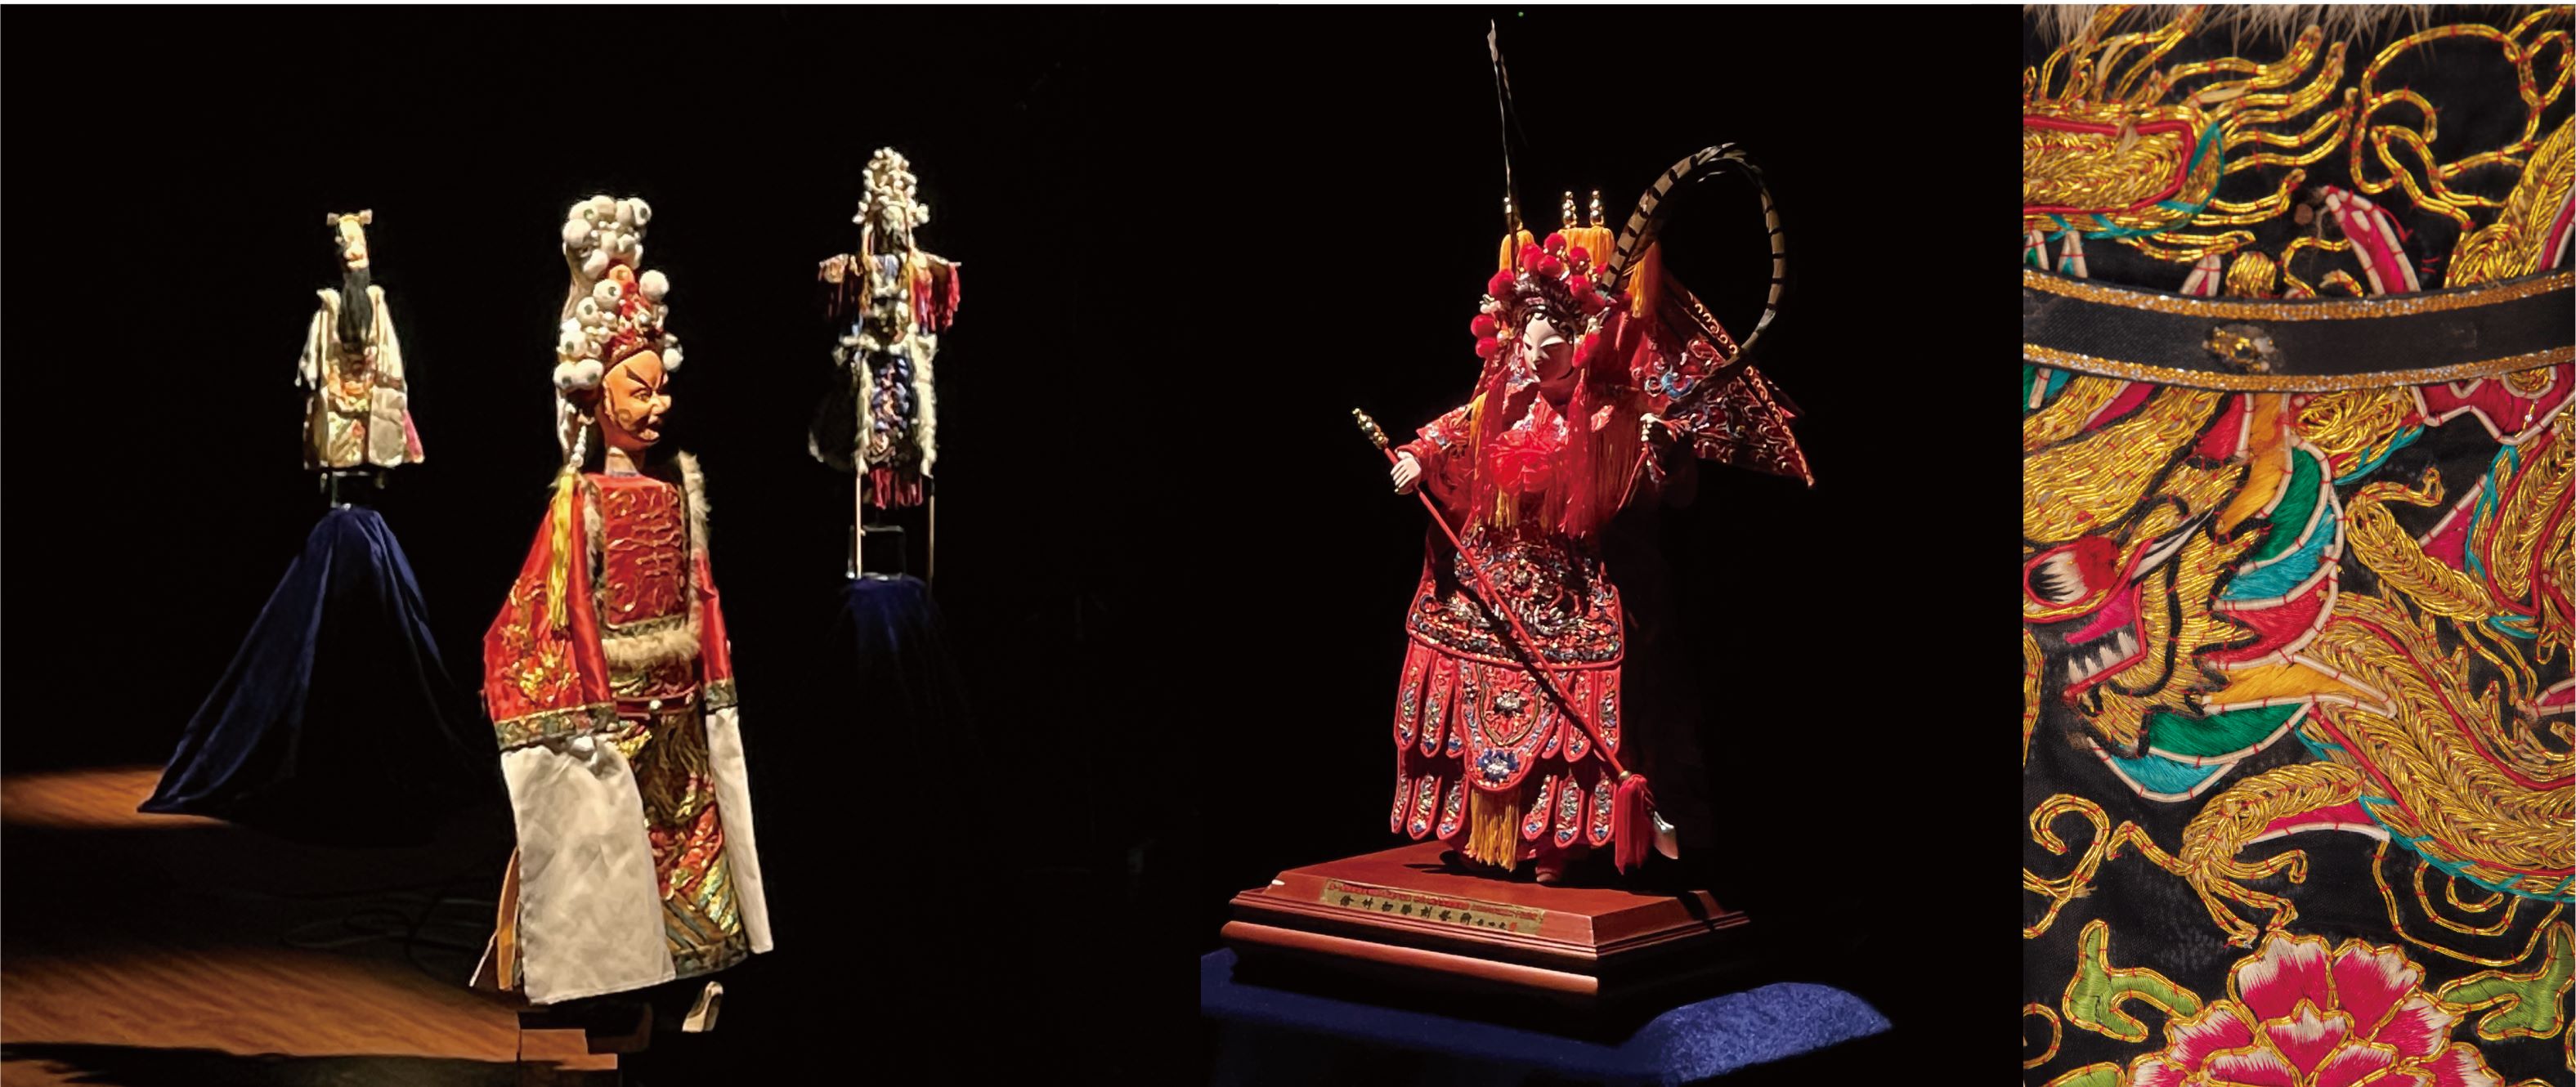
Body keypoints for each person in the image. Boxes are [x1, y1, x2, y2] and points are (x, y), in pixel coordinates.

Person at [474, 195, 770, 1033]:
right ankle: (591, 978)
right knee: (603, 848)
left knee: (686, 841)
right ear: (597, 399)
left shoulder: (680, 488)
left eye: (661, 389)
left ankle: (690, 970)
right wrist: (592, 699)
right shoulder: (581, 499)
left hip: (675, 706)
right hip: (616, 707)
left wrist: (713, 680)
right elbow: (562, 603)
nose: (657, 405)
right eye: (638, 391)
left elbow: (701, 593)